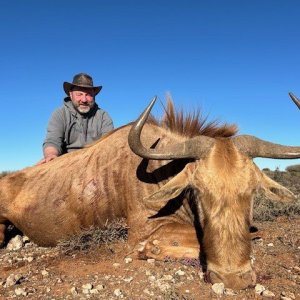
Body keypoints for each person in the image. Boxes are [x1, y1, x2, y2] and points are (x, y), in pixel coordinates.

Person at [38, 73, 114, 164]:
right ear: (71, 95)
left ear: (94, 96)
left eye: (88, 94)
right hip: (66, 163)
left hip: (95, 162)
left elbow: (109, 144)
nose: (84, 100)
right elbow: (52, 141)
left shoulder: (103, 116)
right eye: (79, 94)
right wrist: (51, 155)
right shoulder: (59, 114)